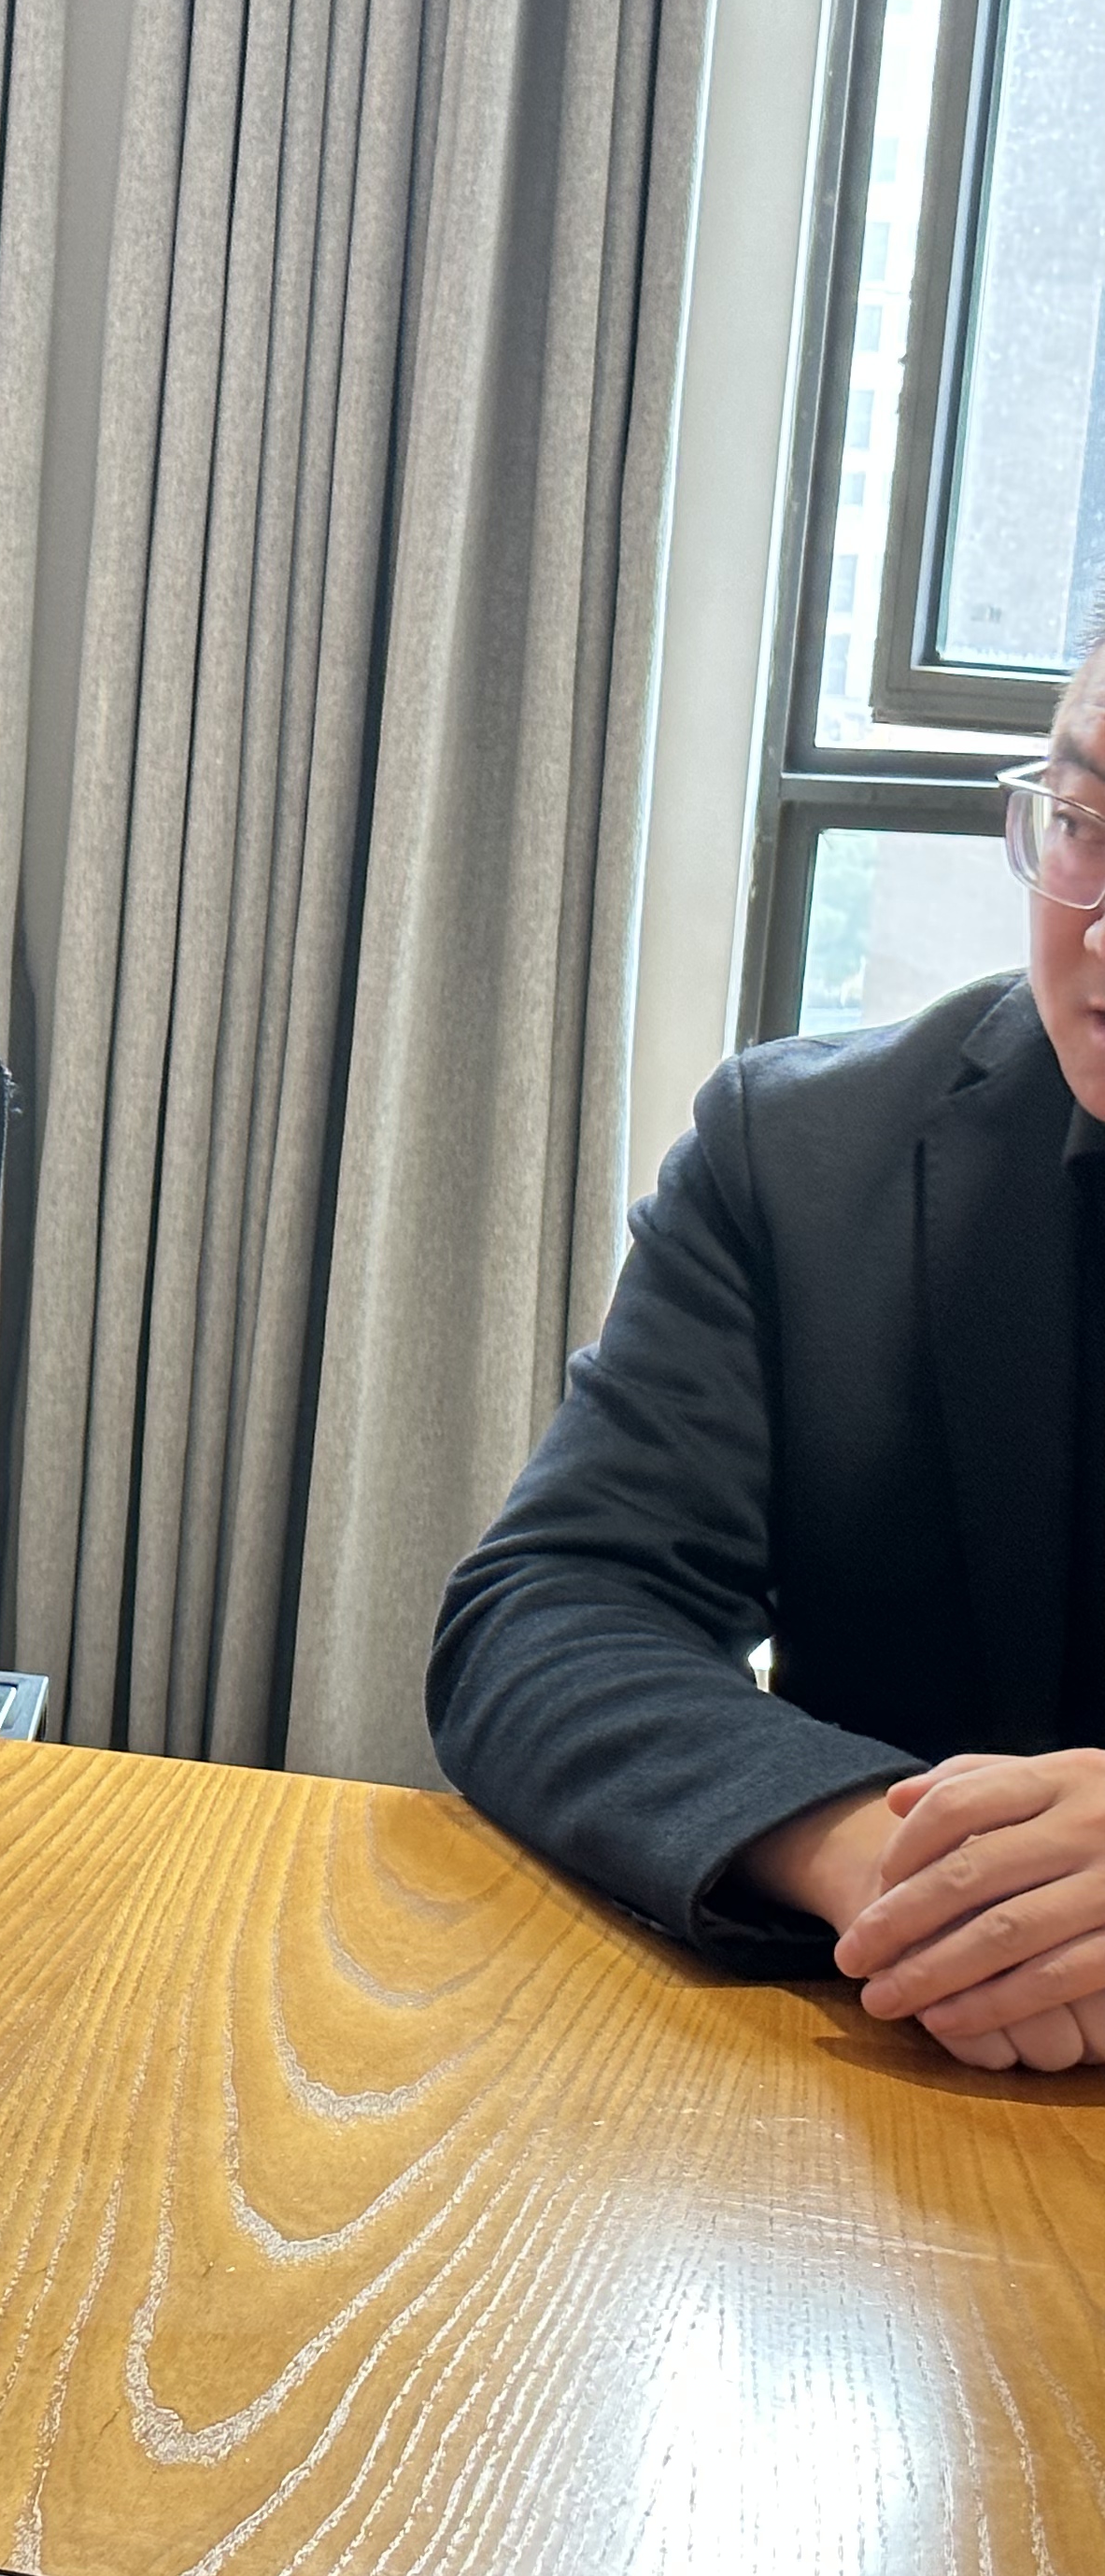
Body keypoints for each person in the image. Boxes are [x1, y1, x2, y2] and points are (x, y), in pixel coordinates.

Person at [433, 632, 1105, 2072]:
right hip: (888, 2091)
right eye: (1085, 823)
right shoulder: (803, 1156)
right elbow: (549, 1613)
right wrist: (892, 1860)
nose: (1100, 935)